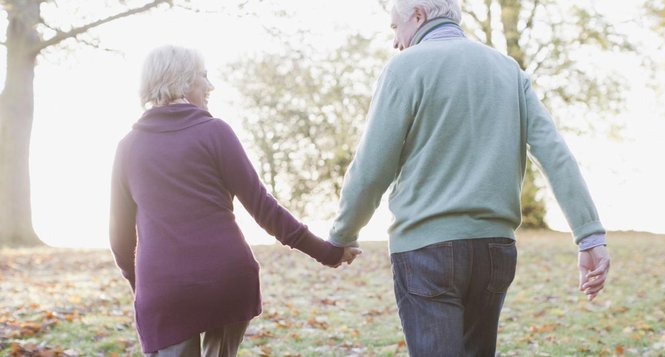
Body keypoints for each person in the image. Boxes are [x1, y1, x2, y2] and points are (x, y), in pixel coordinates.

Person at [329, 0, 611, 356]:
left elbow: (371, 168)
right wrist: (589, 236)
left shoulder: (404, 69)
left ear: (419, 16)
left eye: (394, 27)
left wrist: (343, 235)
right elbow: (555, 154)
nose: (395, 42)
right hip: (494, 250)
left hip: (425, 250)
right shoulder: (509, 70)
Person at [109, 45, 361, 357]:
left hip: (166, 291)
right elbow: (264, 208)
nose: (210, 86)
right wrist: (327, 252)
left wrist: (144, 286)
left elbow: (120, 241)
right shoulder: (215, 132)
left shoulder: (128, 148)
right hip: (226, 281)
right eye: (203, 77)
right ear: (182, 81)